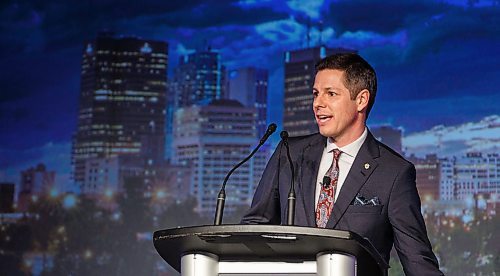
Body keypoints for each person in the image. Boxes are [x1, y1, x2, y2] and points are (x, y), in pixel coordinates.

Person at [241, 53, 443, 275]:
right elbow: (254, 230)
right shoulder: (289, 153)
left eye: (331, 94)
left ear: (361, 100)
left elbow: (418, 262)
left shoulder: (393, 173)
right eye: (316, 94)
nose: (318, 103)